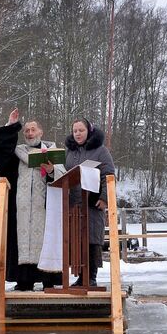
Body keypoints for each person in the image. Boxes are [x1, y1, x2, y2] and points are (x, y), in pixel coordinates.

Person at [0, 109, 62, 290]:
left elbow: (63, 178)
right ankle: (24, 280)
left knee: (45, 242)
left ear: (41, 132)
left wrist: (50, 171)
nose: (30, 133)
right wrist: (11, 125)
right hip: (21, 210)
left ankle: (48, 280)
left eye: (33, 130)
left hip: (45, 210)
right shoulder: (17, 153)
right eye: (26, 130)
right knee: (21, 243)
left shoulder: (52, 152)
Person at [64, 117, 117, 287]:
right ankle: (80, 276)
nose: (78, 134)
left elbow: (108, 175)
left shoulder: (101, 151)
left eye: (81, 130)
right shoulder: (69, 152)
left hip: (92, 203)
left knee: (92, 239)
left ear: (89, 131)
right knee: (76, 239)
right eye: (75, 131)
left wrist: (104, 198)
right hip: (74, 204)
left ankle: (91, 277)